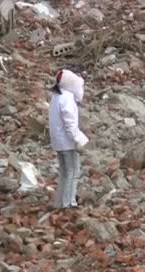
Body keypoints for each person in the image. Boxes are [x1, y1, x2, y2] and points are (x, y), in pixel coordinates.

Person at [48, 69, 88, 209]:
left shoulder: (56, 96)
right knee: (73, 172)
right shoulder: (67, 98)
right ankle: (69, 202)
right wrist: (77, 139)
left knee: (64, 172)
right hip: (67, 142)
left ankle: (59, 202)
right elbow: (70, 123)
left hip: (58, 141)